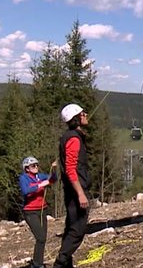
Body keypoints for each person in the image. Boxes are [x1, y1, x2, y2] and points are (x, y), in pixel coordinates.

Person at [53, 103, 91, 268]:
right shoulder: (74, 139)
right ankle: (60, 263)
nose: (86, 115)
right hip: (76, 191)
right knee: (77, 230)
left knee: (70, 227)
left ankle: (65, 265)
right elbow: (70, 169)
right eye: (83, 113)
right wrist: (81, 193)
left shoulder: (72, 136)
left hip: (73, 190)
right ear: (77, 118)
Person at [19, 156, 58, 268]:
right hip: (30, 212)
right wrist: (41, 184)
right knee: (40, 237)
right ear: (27, 168)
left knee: (43, 238)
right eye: (33, 166)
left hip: (42, 210)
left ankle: (38, 263)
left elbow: (52, 179)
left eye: (37, 165)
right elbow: (26, 190)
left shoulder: (39, 176)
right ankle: (37, 265)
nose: (36, 167)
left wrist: (54, 169)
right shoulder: (24, 178)